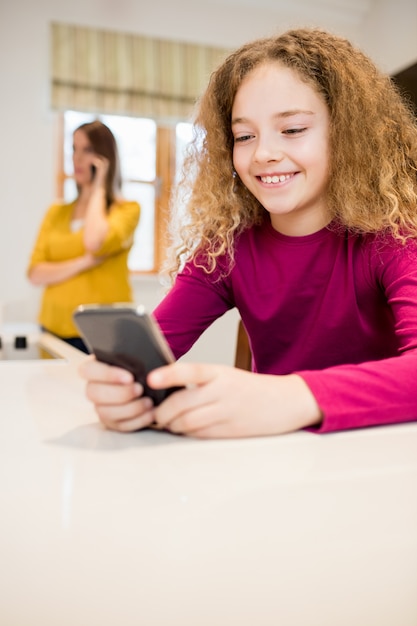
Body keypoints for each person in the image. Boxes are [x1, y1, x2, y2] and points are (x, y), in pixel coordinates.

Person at [79, 28, 417, 438]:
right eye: (244, 136)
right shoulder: (226, 248)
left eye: (292, 130)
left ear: (348, 136)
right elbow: (153, 350)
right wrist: (123, 393)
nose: (263, 154)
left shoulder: (393, 239)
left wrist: (289, 396)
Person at [28, 120, 140, 352]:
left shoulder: (127, 210)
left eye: (87, 150)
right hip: (52, 328)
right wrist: (85, 262)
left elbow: (93, 241)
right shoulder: (56, 212)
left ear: (105, 157)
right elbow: (36, 273)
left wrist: (99, 186)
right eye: (73, 149)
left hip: (103, 332)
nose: (76, 158)